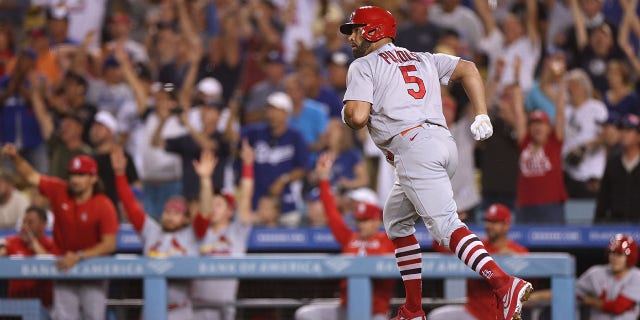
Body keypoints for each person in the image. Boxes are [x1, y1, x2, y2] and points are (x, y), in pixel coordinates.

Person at [339, 7, 533, 320]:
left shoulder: (364, 65)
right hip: (441, 144)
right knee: (396, 221)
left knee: (445, 227)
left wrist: (348, 112)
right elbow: (469, 69)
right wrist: (481, 113)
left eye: (355, 29)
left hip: (413, 149)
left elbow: (357, 117)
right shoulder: (423, 57)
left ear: (373, 30)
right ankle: (413, 308)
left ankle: (503, 283)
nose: (350, 36)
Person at [1, 144, 118, 320]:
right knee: (64, 318)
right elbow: (31, 176)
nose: (75, 179)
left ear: (93, 178)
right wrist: (15, 156)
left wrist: (79, 256)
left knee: (94, 317)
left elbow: (109, 244)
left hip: (93, 269)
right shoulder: (60, 191)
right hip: (64, 267)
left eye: (81, 175)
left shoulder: (104, 204)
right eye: (72, 174)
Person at [294, 153, 395, 320]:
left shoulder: (388, 241)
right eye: (359, 220)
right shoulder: (349, 237)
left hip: (375, 311)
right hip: (346, 308)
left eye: (366, 220)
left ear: (377, 221)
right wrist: (324, 180)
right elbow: (332, 215)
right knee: (306, 314)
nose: (361, 224)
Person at [111, 146, 202, 320]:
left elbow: (204, 215)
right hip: (152, 309)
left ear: (185, 219)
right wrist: (120, 174)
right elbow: (130, 207)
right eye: (167, 212)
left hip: (180, 311)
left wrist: (204, 179)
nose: (169, 216)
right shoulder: (151, 231)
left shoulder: (192, 235)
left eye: (176, 213)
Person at [428, 204, 529, 320]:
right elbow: (440, 246)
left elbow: (529, 289)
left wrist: (514, 262)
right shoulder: (477, 246)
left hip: (500, 315)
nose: (489, 226)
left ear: (506, 225)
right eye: (487, 221)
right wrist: (451, 225)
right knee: (436, 317)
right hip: (473, 312)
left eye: (495, 222)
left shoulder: (518, 251)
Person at [190, 144, 253, 320]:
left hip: (224, 308)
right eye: (212, 204)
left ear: (229, 211)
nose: (213, 208)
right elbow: (203, 208)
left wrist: (248, 166)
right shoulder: (199, 232)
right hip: (196, 307)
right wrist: (205, 179)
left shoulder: (237, 232)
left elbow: (246, 198)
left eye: (219, 205)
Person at [528, 234, 640, 319]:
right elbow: (566, 292)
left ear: (630, 257)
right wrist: (534, 297)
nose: (614, 257)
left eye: (619, 254)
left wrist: (589, 300)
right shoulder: (595, 273)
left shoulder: (636, 277)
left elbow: (617, 307)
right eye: (611, 253)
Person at [0, 206, 59, 308]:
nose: (25, 226)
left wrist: (33, 243)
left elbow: (52, 265)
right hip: (15, 306)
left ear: (43, 225)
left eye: (30, 222)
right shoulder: (13, 242)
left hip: (45, 307)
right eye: (24, 222)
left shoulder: (51, 244)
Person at [594, 114, 640, 223]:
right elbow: (603, 199)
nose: (623, 134)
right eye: (621, 130)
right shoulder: (613, 163)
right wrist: (597, 224)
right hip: (616, 226)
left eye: (628, 131)